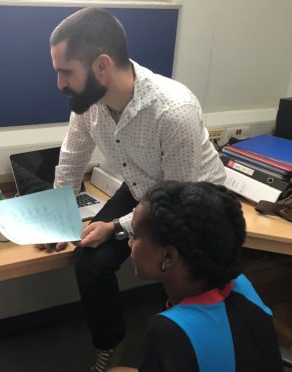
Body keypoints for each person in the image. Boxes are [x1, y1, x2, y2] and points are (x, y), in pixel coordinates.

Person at [45, 7, 226, 370]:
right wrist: (55, 219)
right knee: (89, 260)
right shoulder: (87, 105)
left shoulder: (173, 110)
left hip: (194, 200)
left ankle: (175, 347)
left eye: (66, 72)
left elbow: (174, 202)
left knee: (172, 273)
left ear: (101, 66)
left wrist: (115, 227)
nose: (59, 83)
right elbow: (71, 162)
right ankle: (111, 343)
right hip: (144, 185)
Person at [110, 181, 283, 372]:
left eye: (135, 235)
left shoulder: (170, 330)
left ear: (168, 256)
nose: (129, 243)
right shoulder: (242, 284)